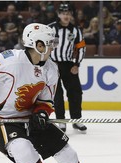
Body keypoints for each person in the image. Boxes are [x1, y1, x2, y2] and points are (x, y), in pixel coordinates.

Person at [0, 23, 102, 163]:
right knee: (22, 150)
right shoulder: (10, 60)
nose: (53, 47)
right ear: (38, 45)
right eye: (50, 43)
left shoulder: (51, 68)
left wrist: (41, 113)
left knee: (67, 153)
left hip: (31, 117)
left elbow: (46, 100)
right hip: (2, 119)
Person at [49, 3, 87, 133]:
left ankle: (76, 120)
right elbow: (43, 47)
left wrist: (77, 64)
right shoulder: (50, 29)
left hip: (69, 65)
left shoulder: (76, 30)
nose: (66, 16)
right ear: (59, 14)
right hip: (52, 64)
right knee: (57, 94)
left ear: (71, 15)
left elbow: (81, 48)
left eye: (68, 13)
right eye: (63, 13)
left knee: (75, 92)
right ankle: (61, 121)